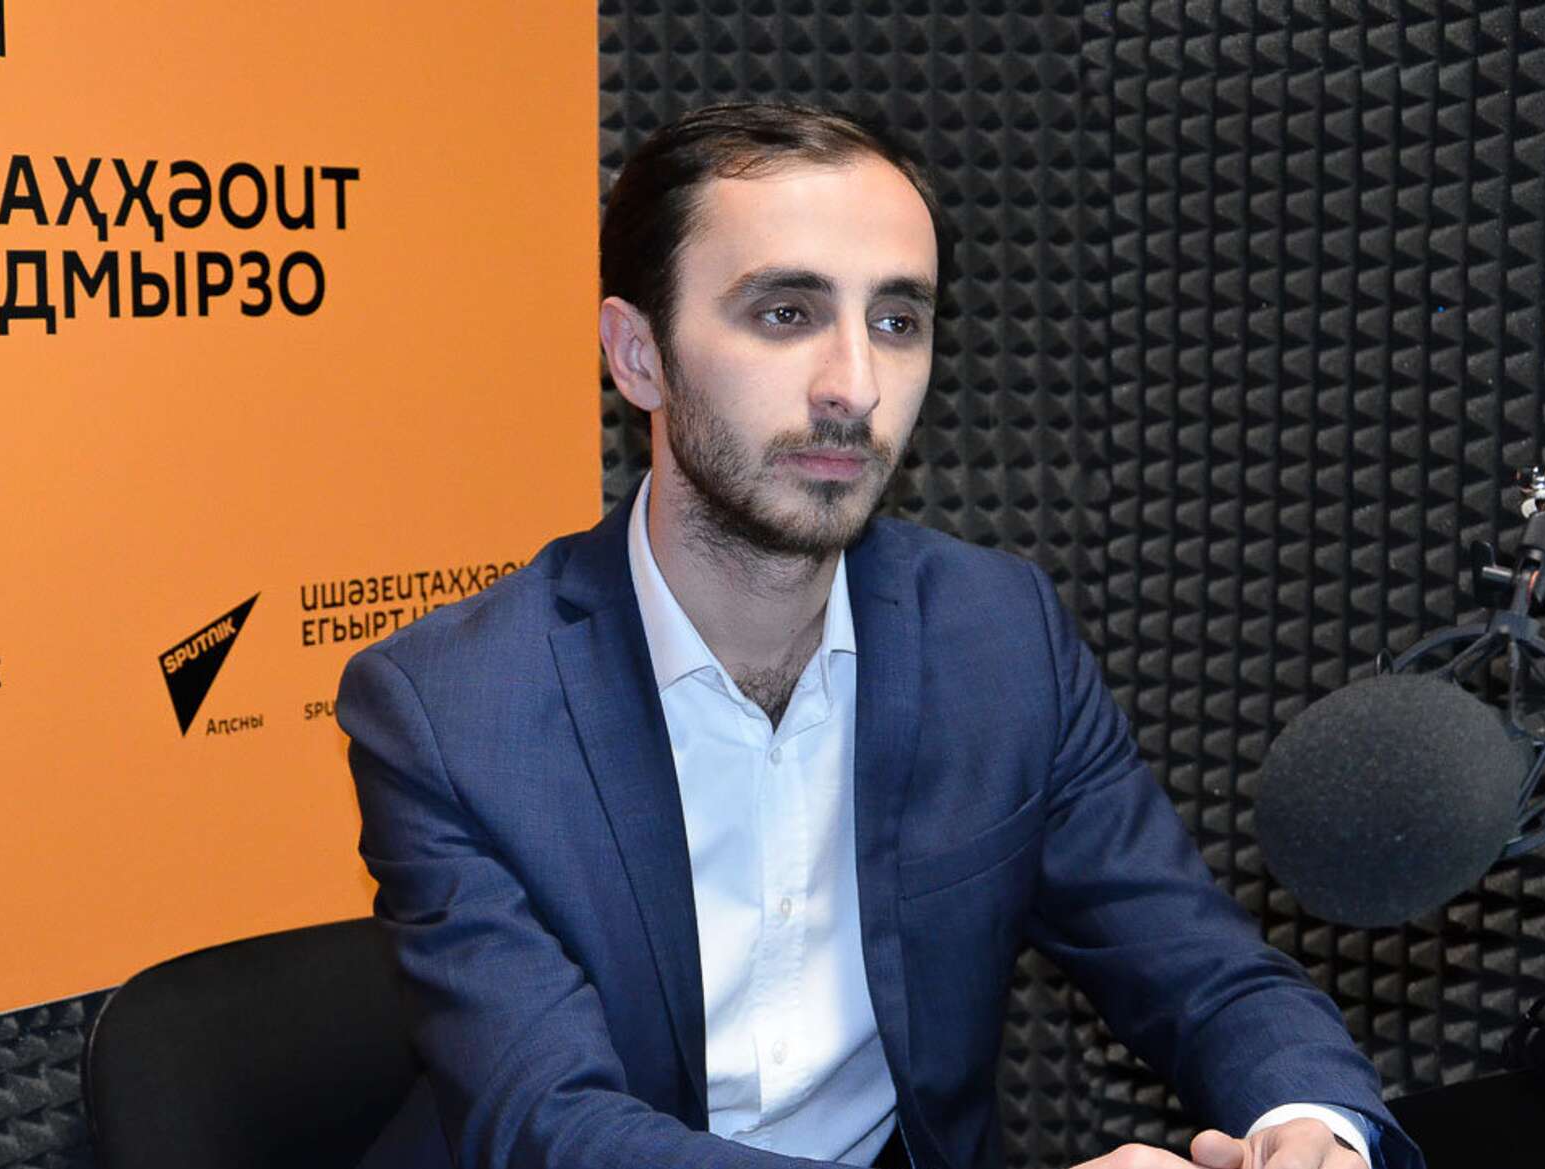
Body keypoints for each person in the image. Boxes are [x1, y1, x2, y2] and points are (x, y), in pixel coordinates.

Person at [339, 102, 1423, 1169]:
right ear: (638, 355)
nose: (854, 387)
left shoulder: (998, 637)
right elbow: (553, 1130)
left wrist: (1312, 1121)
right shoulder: (450, 711)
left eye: (897, 321)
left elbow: (1198, 964)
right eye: (784, 313)